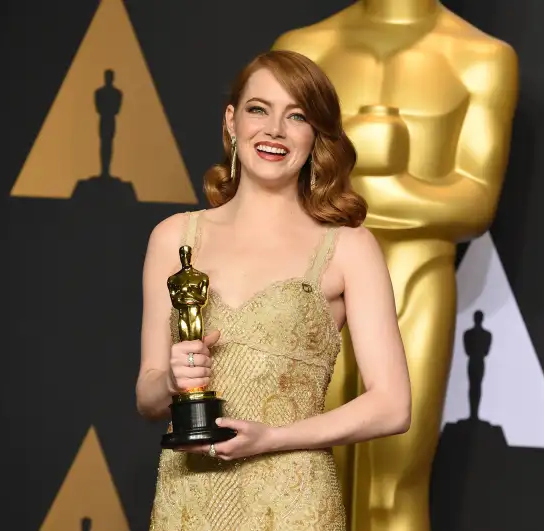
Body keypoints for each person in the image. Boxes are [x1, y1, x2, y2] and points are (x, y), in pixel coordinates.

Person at [134, 50, 411, 530]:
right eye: (258, 109)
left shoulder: (348, 247)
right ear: (232, 121)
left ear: (315, 136)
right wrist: (174, 382)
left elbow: (392, 405)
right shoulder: (174, 238)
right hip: (189, 497)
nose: (275, 130)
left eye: (297, 116)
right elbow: (148, 396)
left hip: (294, 500)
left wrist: (273, 437)